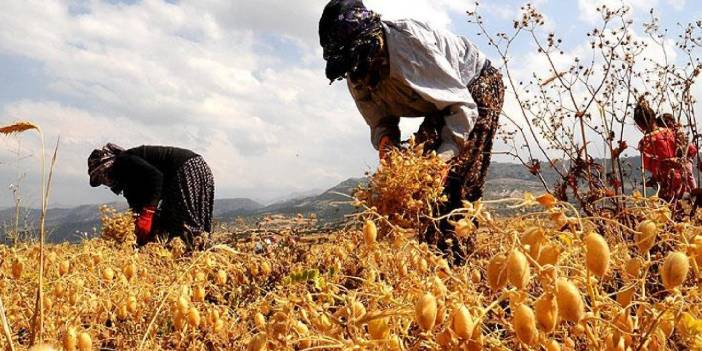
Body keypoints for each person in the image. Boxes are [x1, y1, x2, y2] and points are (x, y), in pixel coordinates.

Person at [319, 0, 505, 264]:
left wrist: (443, 158)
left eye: (361, 61)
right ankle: (435, 262)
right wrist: (387, 148)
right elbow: (381, 123)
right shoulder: (355, 72)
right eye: (351, 67)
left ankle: (459, 263)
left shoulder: (409, 45)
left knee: (456, 181)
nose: (358, 74)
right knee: (422, 187)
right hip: (441, 102)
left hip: (474, 85)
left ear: (374, 40)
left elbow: (460, 105)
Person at [88, 144, 215, 248]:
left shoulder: (124, 160)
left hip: (187, 169)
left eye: (101, 177)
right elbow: (136, 204)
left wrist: (148, 213)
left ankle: (199, 259)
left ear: (106, 166)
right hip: (193, 169)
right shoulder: (127, 182)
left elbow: (156, 177)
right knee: (171, 222)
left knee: (186, 226)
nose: (105, 182)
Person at [635, 98, 697, 204]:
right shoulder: (671, 131)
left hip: (667, 183)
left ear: (640, 125)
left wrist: (657, 174)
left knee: (669, 211)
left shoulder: (646, 142)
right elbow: (692, 150)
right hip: (682, 177)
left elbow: (649, 165)